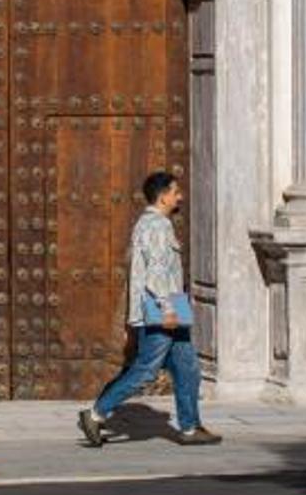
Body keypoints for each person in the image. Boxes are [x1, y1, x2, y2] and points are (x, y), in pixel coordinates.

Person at [78, 171, 222, 446]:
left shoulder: (153, 224)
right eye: (175, 191)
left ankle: (190, 428)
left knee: (188, 367)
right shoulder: (157, 226)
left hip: (171, 303)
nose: (179, 196)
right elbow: (156, 272)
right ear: (163, 195)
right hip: (161, 306)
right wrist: (167, 308)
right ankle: (96, 414)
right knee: (146, 370)